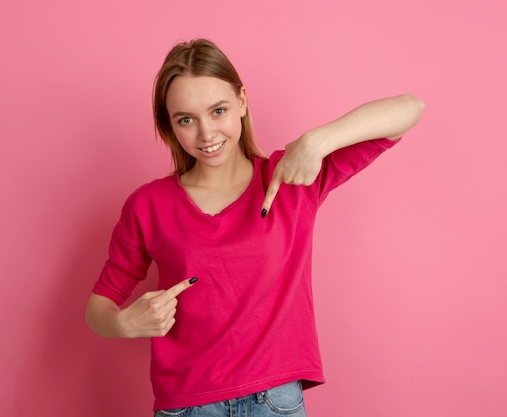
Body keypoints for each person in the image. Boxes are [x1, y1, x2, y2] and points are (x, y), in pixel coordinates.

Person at [85, 38, 424, 416]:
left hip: (275, 403)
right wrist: (123, 323)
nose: (206, 133)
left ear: (242, 101)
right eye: (186, 119)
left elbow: (409, 109)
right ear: (170, 125)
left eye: (218, 110)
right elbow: (98, 307)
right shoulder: (148, 205)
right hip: (187, 407)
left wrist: (316, 142)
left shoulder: (292, 177)